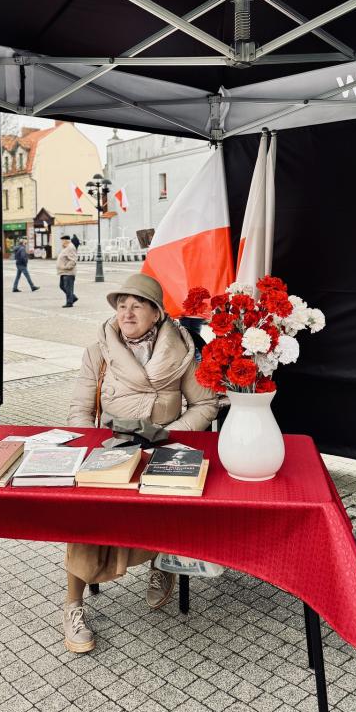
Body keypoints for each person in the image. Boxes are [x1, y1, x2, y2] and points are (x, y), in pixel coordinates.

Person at [63, 273, 218, 654]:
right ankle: (72, 605)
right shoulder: (98, 351)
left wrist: (172, 436)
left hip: (163, 447)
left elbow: (204, 404)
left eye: (137, 306)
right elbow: (80, 408)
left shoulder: (182, 351)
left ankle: (162, 564)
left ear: (156, 313)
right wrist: (91, 448)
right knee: (82, 515)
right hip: (112, 448)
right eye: (122, 306)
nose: (127, 313)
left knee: (167, 504)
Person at [57, 235, 78, 308]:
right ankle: (72, 297)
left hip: (68, 272)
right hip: (64, 271)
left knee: (68, 287)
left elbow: (73, 260)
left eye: (62, 241)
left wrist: (67, 267)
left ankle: (69, 302)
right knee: (62, 286)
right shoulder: (66, 247)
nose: (61, 242)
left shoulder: (70, 247)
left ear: (65, 241)